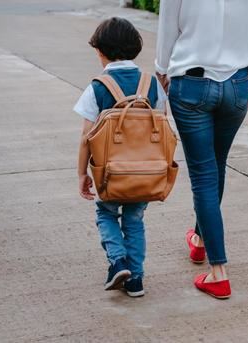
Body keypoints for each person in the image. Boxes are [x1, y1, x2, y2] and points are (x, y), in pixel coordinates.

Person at [155, 0, 248, 299]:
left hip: (191, 81)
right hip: (238, 81)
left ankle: (219, 272)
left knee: (204, 174)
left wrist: (162, 69)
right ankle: (200, 240)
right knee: (216, 165)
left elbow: (168, 26)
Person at [74, 17, 166, 297]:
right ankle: (136, 279)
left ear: (101, 51)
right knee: (135, 221)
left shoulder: (97, 87)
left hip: (110, 173)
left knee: (106, 214)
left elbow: (85, 138)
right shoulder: (151, 84)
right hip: (144, 173)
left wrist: (82, 174)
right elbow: (162, 124)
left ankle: (118, 261)